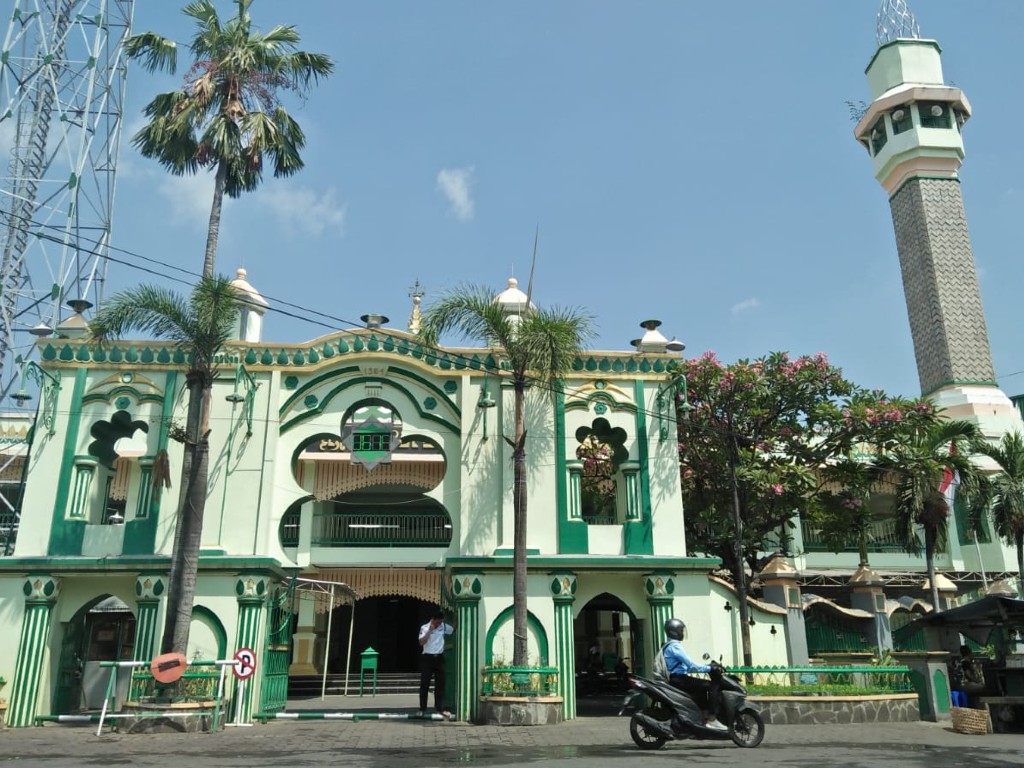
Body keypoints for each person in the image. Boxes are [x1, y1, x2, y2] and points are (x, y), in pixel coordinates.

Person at [661, 617, 728, 731]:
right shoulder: (675, 646)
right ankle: (712, 719)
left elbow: (687, 667)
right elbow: (691, 665)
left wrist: (705, 667)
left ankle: (701, 716)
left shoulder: (668, 645)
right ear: (674, 631)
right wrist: (709, 668)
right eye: (681, 630)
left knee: (700, 690)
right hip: (679, 679)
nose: (682, 633)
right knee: (712, 685)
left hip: (677, 678)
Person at [418, 610, 454, 718]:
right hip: (427, 658)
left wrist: (457, 617)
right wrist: (429, 631)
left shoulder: (443, 626)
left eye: (440, 622)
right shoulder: (424, 628)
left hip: (439, 658)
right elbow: (421, 642)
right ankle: (422, 709)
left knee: (440, 685)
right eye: (437, 622)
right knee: (425, 684)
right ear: (433, 620)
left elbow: (453, 630)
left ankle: (440, 709)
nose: (439, 624)